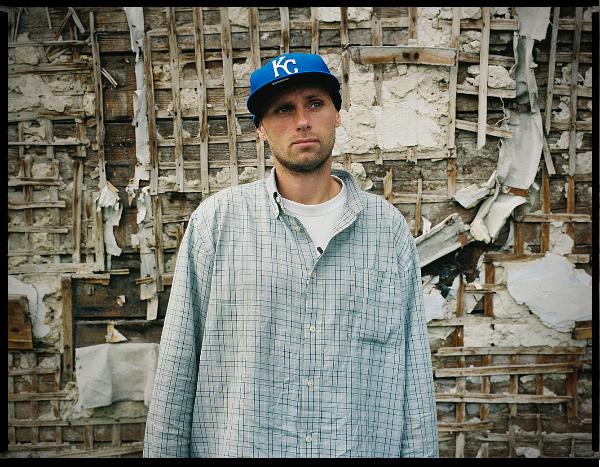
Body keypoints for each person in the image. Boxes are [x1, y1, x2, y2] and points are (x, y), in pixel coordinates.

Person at [143, 52, 438, 458]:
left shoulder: (387, 230)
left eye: (315, 103)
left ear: (337, 114)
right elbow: (177, 368)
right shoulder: (217, 223)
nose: (302, 121)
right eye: (283, 109)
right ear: (261, 128)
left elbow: (414, 376)